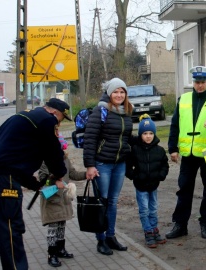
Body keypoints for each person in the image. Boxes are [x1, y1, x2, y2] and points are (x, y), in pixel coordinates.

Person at [0, 98, 71, 269]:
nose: (59, 124)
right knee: (12, 229)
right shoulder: (46, 119)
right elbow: (53, 152)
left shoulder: (24, 118)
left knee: (7, 229)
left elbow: (14, 158)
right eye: (61, 119)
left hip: (0, 177)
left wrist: (35, 184)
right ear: (55, 113)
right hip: (5, 179)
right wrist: (59, 175)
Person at [166, 66, 206, 239]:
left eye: (203, 82)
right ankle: (180, 224)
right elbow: (175, 124)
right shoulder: (183, 99)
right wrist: (173, 148)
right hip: (188, 154)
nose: (199, 86)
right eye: (196, 82)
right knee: (184, 189)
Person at [83, 77, 134, 255]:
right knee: (102, 202)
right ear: (109, 93)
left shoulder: (127, 111)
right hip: (102, 164)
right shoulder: (100, 111)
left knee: (112, 202)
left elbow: (126, 137)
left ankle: (111, 236)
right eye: (116, 92)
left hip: (119, 164)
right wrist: (90, 165)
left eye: (122, 92)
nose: (119, 95)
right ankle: (101, 239)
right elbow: (90, 139)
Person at [38, 133, 87, 267]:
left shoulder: (65, 159)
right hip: (51, 198)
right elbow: (42, 179)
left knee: (61, 225)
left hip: (63, 199)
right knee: (53, 226)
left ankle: (60, 248)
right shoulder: (45, 161)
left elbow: (72, 174)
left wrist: (86, 174)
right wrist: (54, 180)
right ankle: (51, 253)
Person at [126, 114, 169, 248]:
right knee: (144, 210)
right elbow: (128, 165)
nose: (148, 136)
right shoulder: (135, 150)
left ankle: (154, 229)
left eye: (151, 133)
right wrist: (134, 175)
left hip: (153, 185)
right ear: (140, 135)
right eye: (145, 133)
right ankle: (148, 231)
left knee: (153, 209)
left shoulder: (159, 150)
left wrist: (161, 175)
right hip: (141, 185)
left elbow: (164, 165)